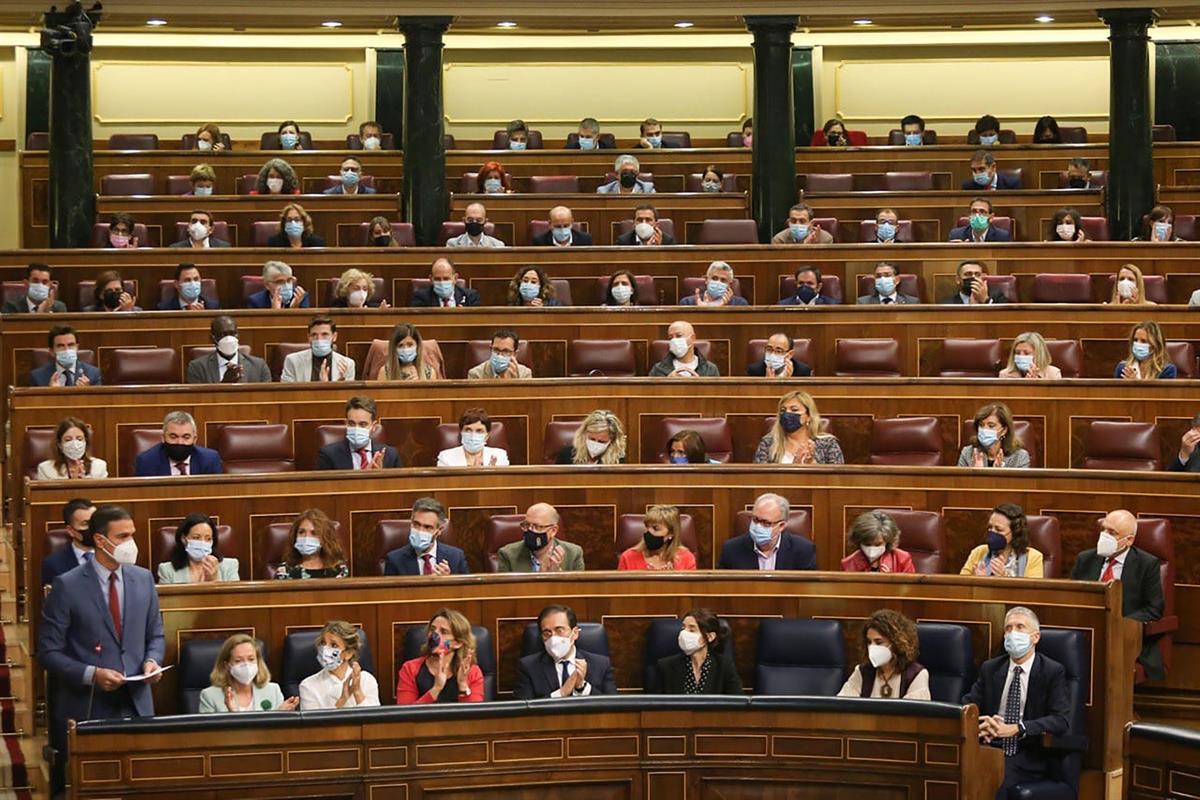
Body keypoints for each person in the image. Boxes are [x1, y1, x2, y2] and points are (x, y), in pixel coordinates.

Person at [39, 505, 165, 794]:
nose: (130, 544)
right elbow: (48, 652)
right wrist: (91, 674)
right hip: (88, 705)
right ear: (99, 540)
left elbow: (156, 635)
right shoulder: (67, 585)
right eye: (122, 537)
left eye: (132, 535)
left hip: (136, 702)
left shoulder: (143, 579)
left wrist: (152, 661)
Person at [963, 606, 1072, 798]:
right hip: (987, 748)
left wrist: (1018, 728)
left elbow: (1060, 720)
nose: (1013, 633)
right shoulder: (990, 668)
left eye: (1020, 627)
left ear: (1035, 637)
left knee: (992, 781)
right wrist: (980, 723)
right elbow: (967, 705)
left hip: (1027, 754)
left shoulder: (1052, 671)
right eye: (1008, 628)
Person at [1070, 510, 1165, 679]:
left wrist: (1119, 624)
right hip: (1086, 634)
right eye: (1104, 529)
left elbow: (1154, 608)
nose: (1104, 535)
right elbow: (1071, 598)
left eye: (1112, 533)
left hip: (1124, 638)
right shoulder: (1085, 559)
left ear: (1129, 540)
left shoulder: (1147, 564)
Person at [513, 604, 617, 698]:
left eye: (559, 630)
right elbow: (522, 712)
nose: (553, 638)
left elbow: (614, 709)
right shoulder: (528, 667)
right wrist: (561, 693)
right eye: (547, 633)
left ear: (575, 633)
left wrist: (582, 687)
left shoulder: (601, 664)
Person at [396, 609, 484, 703]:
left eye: (444, 632)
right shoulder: (410, 669)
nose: (434, 635)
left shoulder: (471, 672)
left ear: (458, 643)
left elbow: (474, 715)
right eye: (432, 629)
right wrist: (436, 689)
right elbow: (406, 715)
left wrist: (463, 686)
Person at [838, 610, 931, 699]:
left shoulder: (916, 674)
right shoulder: (862, 672)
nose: (872, 647)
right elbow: (842, 706)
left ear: (896, 643)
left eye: (879, 642)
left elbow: (914, 713)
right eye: (869, 642)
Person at [651, 609, 743, 695]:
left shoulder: (725, 666)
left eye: (692, 629)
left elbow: (737, 704)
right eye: (683, 628)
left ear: (710, 637)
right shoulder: (665, 666)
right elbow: (655, 706)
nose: (683, 634)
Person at [718, 492, 816, 571]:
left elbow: (808, 591)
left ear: (781, 526)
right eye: (755, 520)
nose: (758, 526)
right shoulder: (731, 550)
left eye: (766, 523)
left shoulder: (804, 550)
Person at [199, 634, 296, 713]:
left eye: (251, 659)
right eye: (238, 661)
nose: (246, 665)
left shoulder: (273, 690)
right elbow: (208, 735)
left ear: (258, 661)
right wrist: (233, 715)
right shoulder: (209, 696)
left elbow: (279, 733)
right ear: (227, 665)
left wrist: (279, 715)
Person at [298, 621, 380, 708]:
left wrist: (357, 691)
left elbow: (373, 720)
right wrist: (343, 699)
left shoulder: (367, 680)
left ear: (348, 653)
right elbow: (315, 721)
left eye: (334, 645)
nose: (325, 649)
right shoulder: (308, 686)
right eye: (323, 643)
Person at [753, 390, 845, 465]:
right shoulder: (768, 443)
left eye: (794, 410)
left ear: (808, 416)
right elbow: (759, 479)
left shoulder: (828, 444)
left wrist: (813, 464)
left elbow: (837, 480)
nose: (787, 414)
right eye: (783, 410)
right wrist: (794, 467)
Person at [384, 498, 470, 576]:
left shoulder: (456, 557)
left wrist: (448, 582)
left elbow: (467, 592)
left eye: (427, 527)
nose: (420, 531)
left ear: (439, 530)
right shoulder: (395, 560)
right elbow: (390, 593)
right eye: (416, 524)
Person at [316, 396, 402, 470]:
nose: (356, 429)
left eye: (363, 424)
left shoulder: (390, 455)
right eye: (352, 424)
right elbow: (325, 487)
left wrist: (379, 477)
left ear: (373, 426)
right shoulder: (329, 455)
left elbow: (398, 486)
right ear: (346, 423)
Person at [961, 503, 1044, 578]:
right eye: (990, 527)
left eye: (998, 529)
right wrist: (977, 581)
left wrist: (1004, 578)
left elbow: (1033, 593)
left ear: (1015, 532)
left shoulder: (1034, 557)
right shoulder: (978, 552)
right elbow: (961, 587)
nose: (992, 532)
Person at [497, 503, 586, 573]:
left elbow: (577, 592)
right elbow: (505, 593)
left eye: (537, 526)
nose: (530, 531)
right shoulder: (507, 554)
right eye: (527, 525)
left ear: (553, 531)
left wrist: (558, 576)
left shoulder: (573, 554)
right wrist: (541, 575)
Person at [156, 512, 240, 583]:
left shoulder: (229, 566)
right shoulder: (167, 570)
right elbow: (166, 602)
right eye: (196, 537)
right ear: (183, 539)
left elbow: (235, 600)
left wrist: (214, 580)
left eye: (208, 539)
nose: (202, 543)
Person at [186, 315, 272, 383]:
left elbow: (267, 398)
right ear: (213, 338)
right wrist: (225, 383)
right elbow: (198, 400)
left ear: (238, 335)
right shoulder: (197, 367)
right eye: (223, 334)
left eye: (232, 334)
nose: (228, 338)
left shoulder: (259, 366)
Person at [134, 411, 223, 477]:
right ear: (163, 438)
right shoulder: (147, 462)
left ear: (194, 439)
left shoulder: (210, 459)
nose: (180, 442)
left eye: (186, 437)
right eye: (173, 437)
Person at [273, 509, 350, 580]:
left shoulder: (339, 570)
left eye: (314, 533)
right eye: (301, 532)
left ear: (325, 538)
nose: (306, 537)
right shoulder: (284, 571)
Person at [617, 504, 697, 571]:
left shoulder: (686, 558)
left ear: (671, 534)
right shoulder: (628, 557)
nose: (649, 532)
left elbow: (692, 589)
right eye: (647, 527)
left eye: (656, 528)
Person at [282, 316, 357, 382]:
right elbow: (286, 394)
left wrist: (339, 386)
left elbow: (347, 396)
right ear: (308, 337)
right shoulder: (292, 361)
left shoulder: (347, 364)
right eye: (314, 335)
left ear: (334, 337)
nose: (319, 339)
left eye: (324, 334)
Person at [958, 402, 1031, 468]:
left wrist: (998, 475)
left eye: (991, 426)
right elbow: (958, 482)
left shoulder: (1020, 457)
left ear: (1004, 430)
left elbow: (1021, 483)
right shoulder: (967, 453)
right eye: (981, 425)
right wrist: (976, 473)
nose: (984, 430)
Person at [41, 498, 95, 587]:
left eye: (95, 522)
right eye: (85, 524)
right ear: (71, 531)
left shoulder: (112, 556)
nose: (93, 527)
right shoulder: (53, 564)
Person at [841, 511, 915, 573]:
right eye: (867, 544)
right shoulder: (849, 563)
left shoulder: (902, 559)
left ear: (888, 541)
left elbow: (912, 588)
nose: (871, 549)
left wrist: (892, 580)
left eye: (878, 545)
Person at [37, 416, 108, 480]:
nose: (75, 444)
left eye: (79, 439)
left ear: (85, 442)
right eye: (68, 440)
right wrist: (71, 483)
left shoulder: (99, 466)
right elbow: (47, 494)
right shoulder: (46, 469)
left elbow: (102, 494)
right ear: (59, 445)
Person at [31, 325, 103, 387]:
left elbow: (100, 402)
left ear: (77, 347)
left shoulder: (93, 374)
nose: (67, 350)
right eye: (60, 346)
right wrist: (51, 394)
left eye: (71, 345)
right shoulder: (37, 376)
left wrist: (87, 393)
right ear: (51, 351)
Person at [437, 408, 510, 467]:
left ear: (486, 436)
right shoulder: (446, 457)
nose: (473, 436)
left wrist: (492, 474)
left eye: (479, 431)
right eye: (468, 430)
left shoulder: (499, 456)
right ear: (461, 433)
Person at [649, 320, 721, 377]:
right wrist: (667, 383)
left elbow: (716, 394)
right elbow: (651, 394)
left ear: (692, 338)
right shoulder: (658, 369)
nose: (674, 340)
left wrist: (700, 386)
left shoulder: (710, 369)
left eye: (679, 336)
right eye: (670, 338)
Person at [556, 409, 628, 465]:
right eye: (592, 439)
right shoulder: (567, 455)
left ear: (612, 440)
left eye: (601, 442)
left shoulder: (618, 460)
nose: (595, 445)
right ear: (584, 434)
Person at [411, 257, 482, 307]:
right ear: (431, 279)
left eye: (446, 279)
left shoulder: (470, 296)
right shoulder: (420, 297)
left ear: (455, 278)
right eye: (437, 279)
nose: (442, 283)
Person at [467, 329, 533, 380]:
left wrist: (513, 383)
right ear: (490, 349)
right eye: (496, 350)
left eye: (506, 351)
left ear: (515, 354)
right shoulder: (475, 374)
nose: (500, 355)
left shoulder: (525, 373)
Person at [245, 260, 310, 309]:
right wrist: (274, 313)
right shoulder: (255, 301)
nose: (286, 285)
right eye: (280, 282)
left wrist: (294, 309)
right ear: (267, 285)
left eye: (289, 280)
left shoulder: (301, 297)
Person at [680, 261, 748, 307]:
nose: (718, 283)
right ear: (706, 280)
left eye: (723, 280)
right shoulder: (687, 303)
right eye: (714, 278)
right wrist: (701, 310)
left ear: (729, 285)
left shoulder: (740, 304)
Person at [941, 260, 1009, 304]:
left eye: (977, 275)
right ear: (958, 280)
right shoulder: (947, 304)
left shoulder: (998, 297)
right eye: (968, 274)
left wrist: (986, 300)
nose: (973, 277)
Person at [746, 332, 812, 377]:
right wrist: (766, 383)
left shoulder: (802, 371)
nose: (772, 354)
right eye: (769, 349)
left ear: (790, 354)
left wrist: (789, 382)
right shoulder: (754, 370)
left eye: (778, 351)